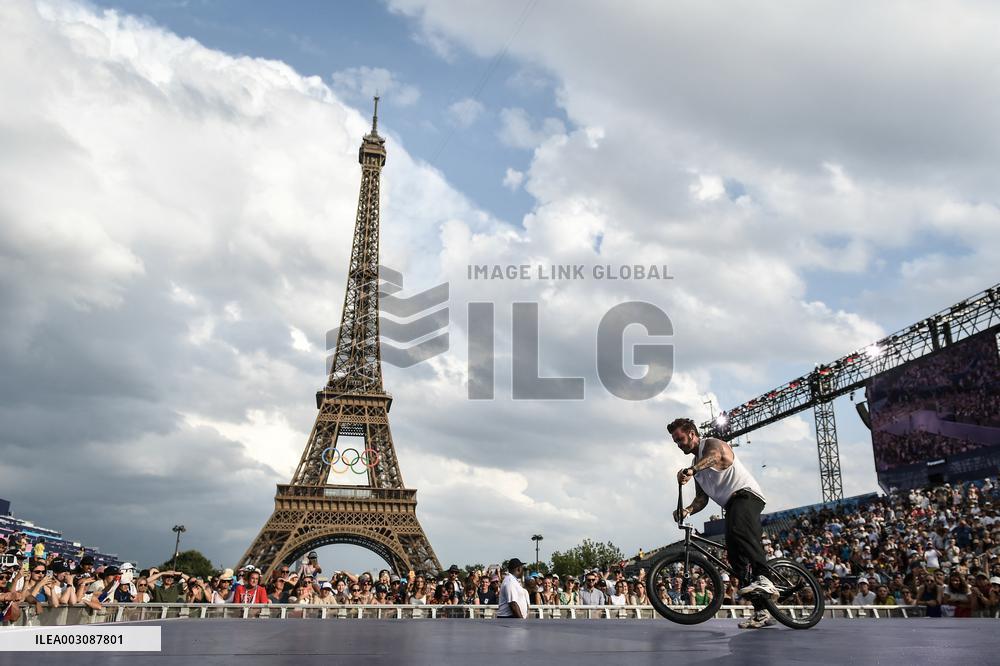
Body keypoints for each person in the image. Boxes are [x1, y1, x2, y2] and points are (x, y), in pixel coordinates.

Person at [669, 417, 775, 629]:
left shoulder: (711, 444)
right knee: (736, 561)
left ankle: (765, 577)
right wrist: (687, 510)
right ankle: (762, 612)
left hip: (747, 496)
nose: (679, 445)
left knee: (738, 530)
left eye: (680, 439)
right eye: (675, 442)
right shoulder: (695, 466)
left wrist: (692, 471)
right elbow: (702, 499)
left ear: (692, 433)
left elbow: (716, 457)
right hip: (732, 505)